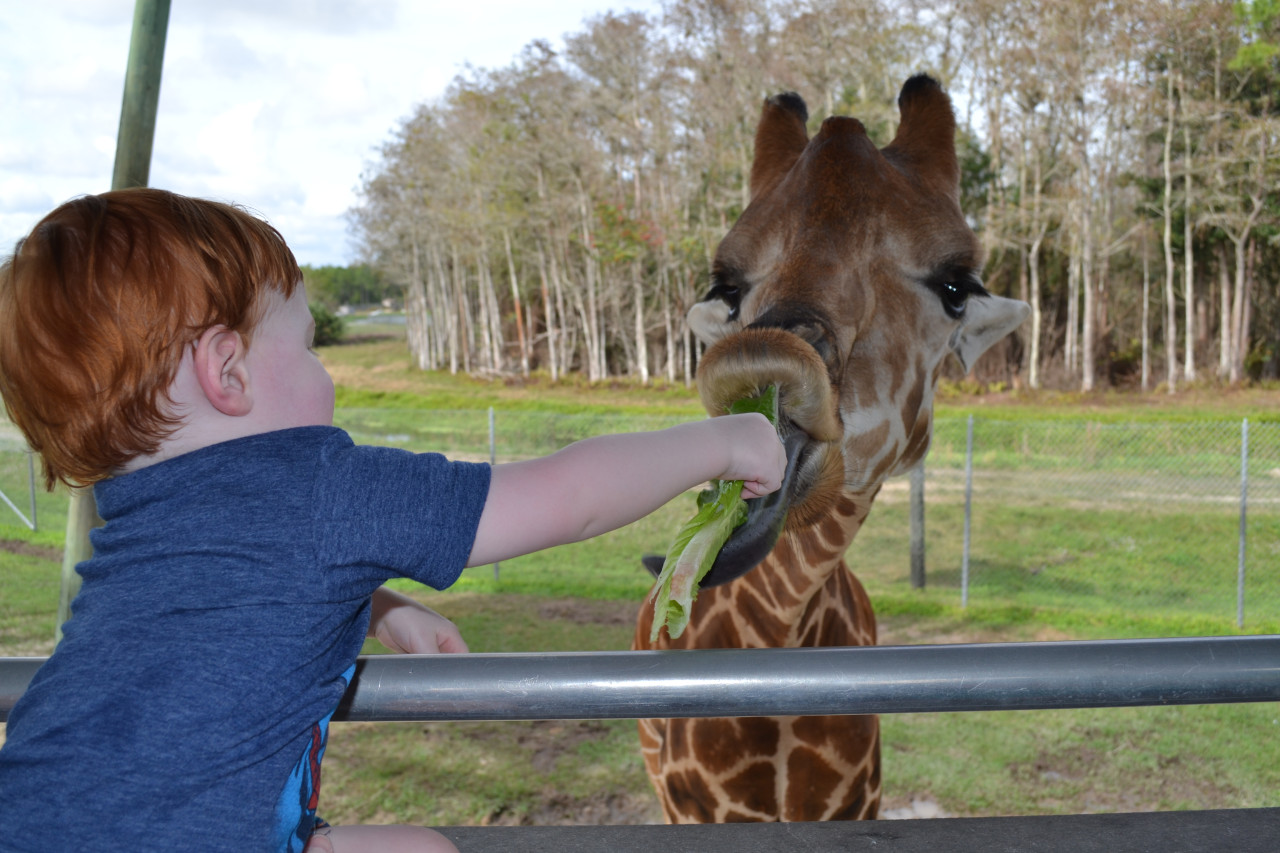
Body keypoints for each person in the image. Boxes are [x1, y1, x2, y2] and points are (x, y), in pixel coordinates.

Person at [0, 188, 786, 853]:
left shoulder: (135, 512)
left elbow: (227, 596)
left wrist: (375, 602)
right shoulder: (317, 483)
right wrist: (719, 442)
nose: (324, 373)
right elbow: (565, 496)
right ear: (227, 370)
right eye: (308, 347)